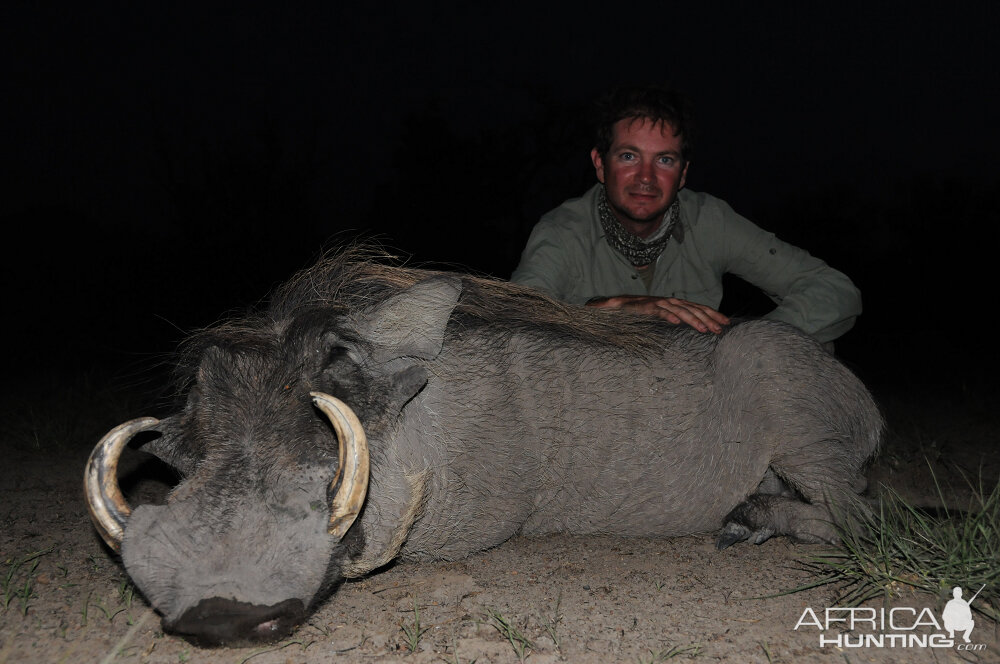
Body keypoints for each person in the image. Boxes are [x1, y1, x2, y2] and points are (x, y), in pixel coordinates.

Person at [511, 85, 861, 344]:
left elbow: (833, 289)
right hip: (602, 401)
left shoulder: (710, 220)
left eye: (665, 160)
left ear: (683, 174)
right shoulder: (561, 230)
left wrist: (752, 342)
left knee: (801, 340)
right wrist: (614, 308)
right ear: (600, 165)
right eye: (629, 156)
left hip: (698, 395)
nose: (646, 177)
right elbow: (514, 317)